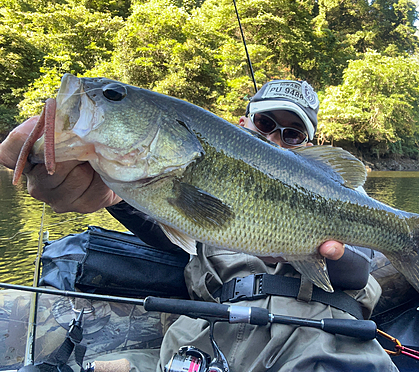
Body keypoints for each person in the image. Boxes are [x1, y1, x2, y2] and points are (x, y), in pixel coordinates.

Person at [0, 80, 398, 371]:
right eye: (265, 123)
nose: (276, 137)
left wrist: (331, 253)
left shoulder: (333, 194)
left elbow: (358, 271)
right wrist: (111, 196)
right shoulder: (189, 179)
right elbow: (169, 224)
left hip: (318, 330)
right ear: (243, 122)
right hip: (207, 337)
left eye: (292, 133)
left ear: (308, 147)